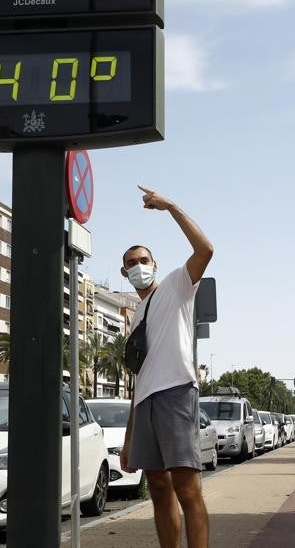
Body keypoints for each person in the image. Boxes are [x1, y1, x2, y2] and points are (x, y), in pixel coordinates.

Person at [120, 186, 213, 548]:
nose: (139, 266)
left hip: (176, 393)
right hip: (145, 404)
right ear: (123, 271)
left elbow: (205, 249)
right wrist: (129, 438)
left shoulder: (177, 285)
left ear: (154, 265)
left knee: (187, 489)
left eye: (144, 260)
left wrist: (171, 206)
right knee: (158, 488)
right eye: (131, 263)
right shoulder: (136, 314)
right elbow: (137, 378)